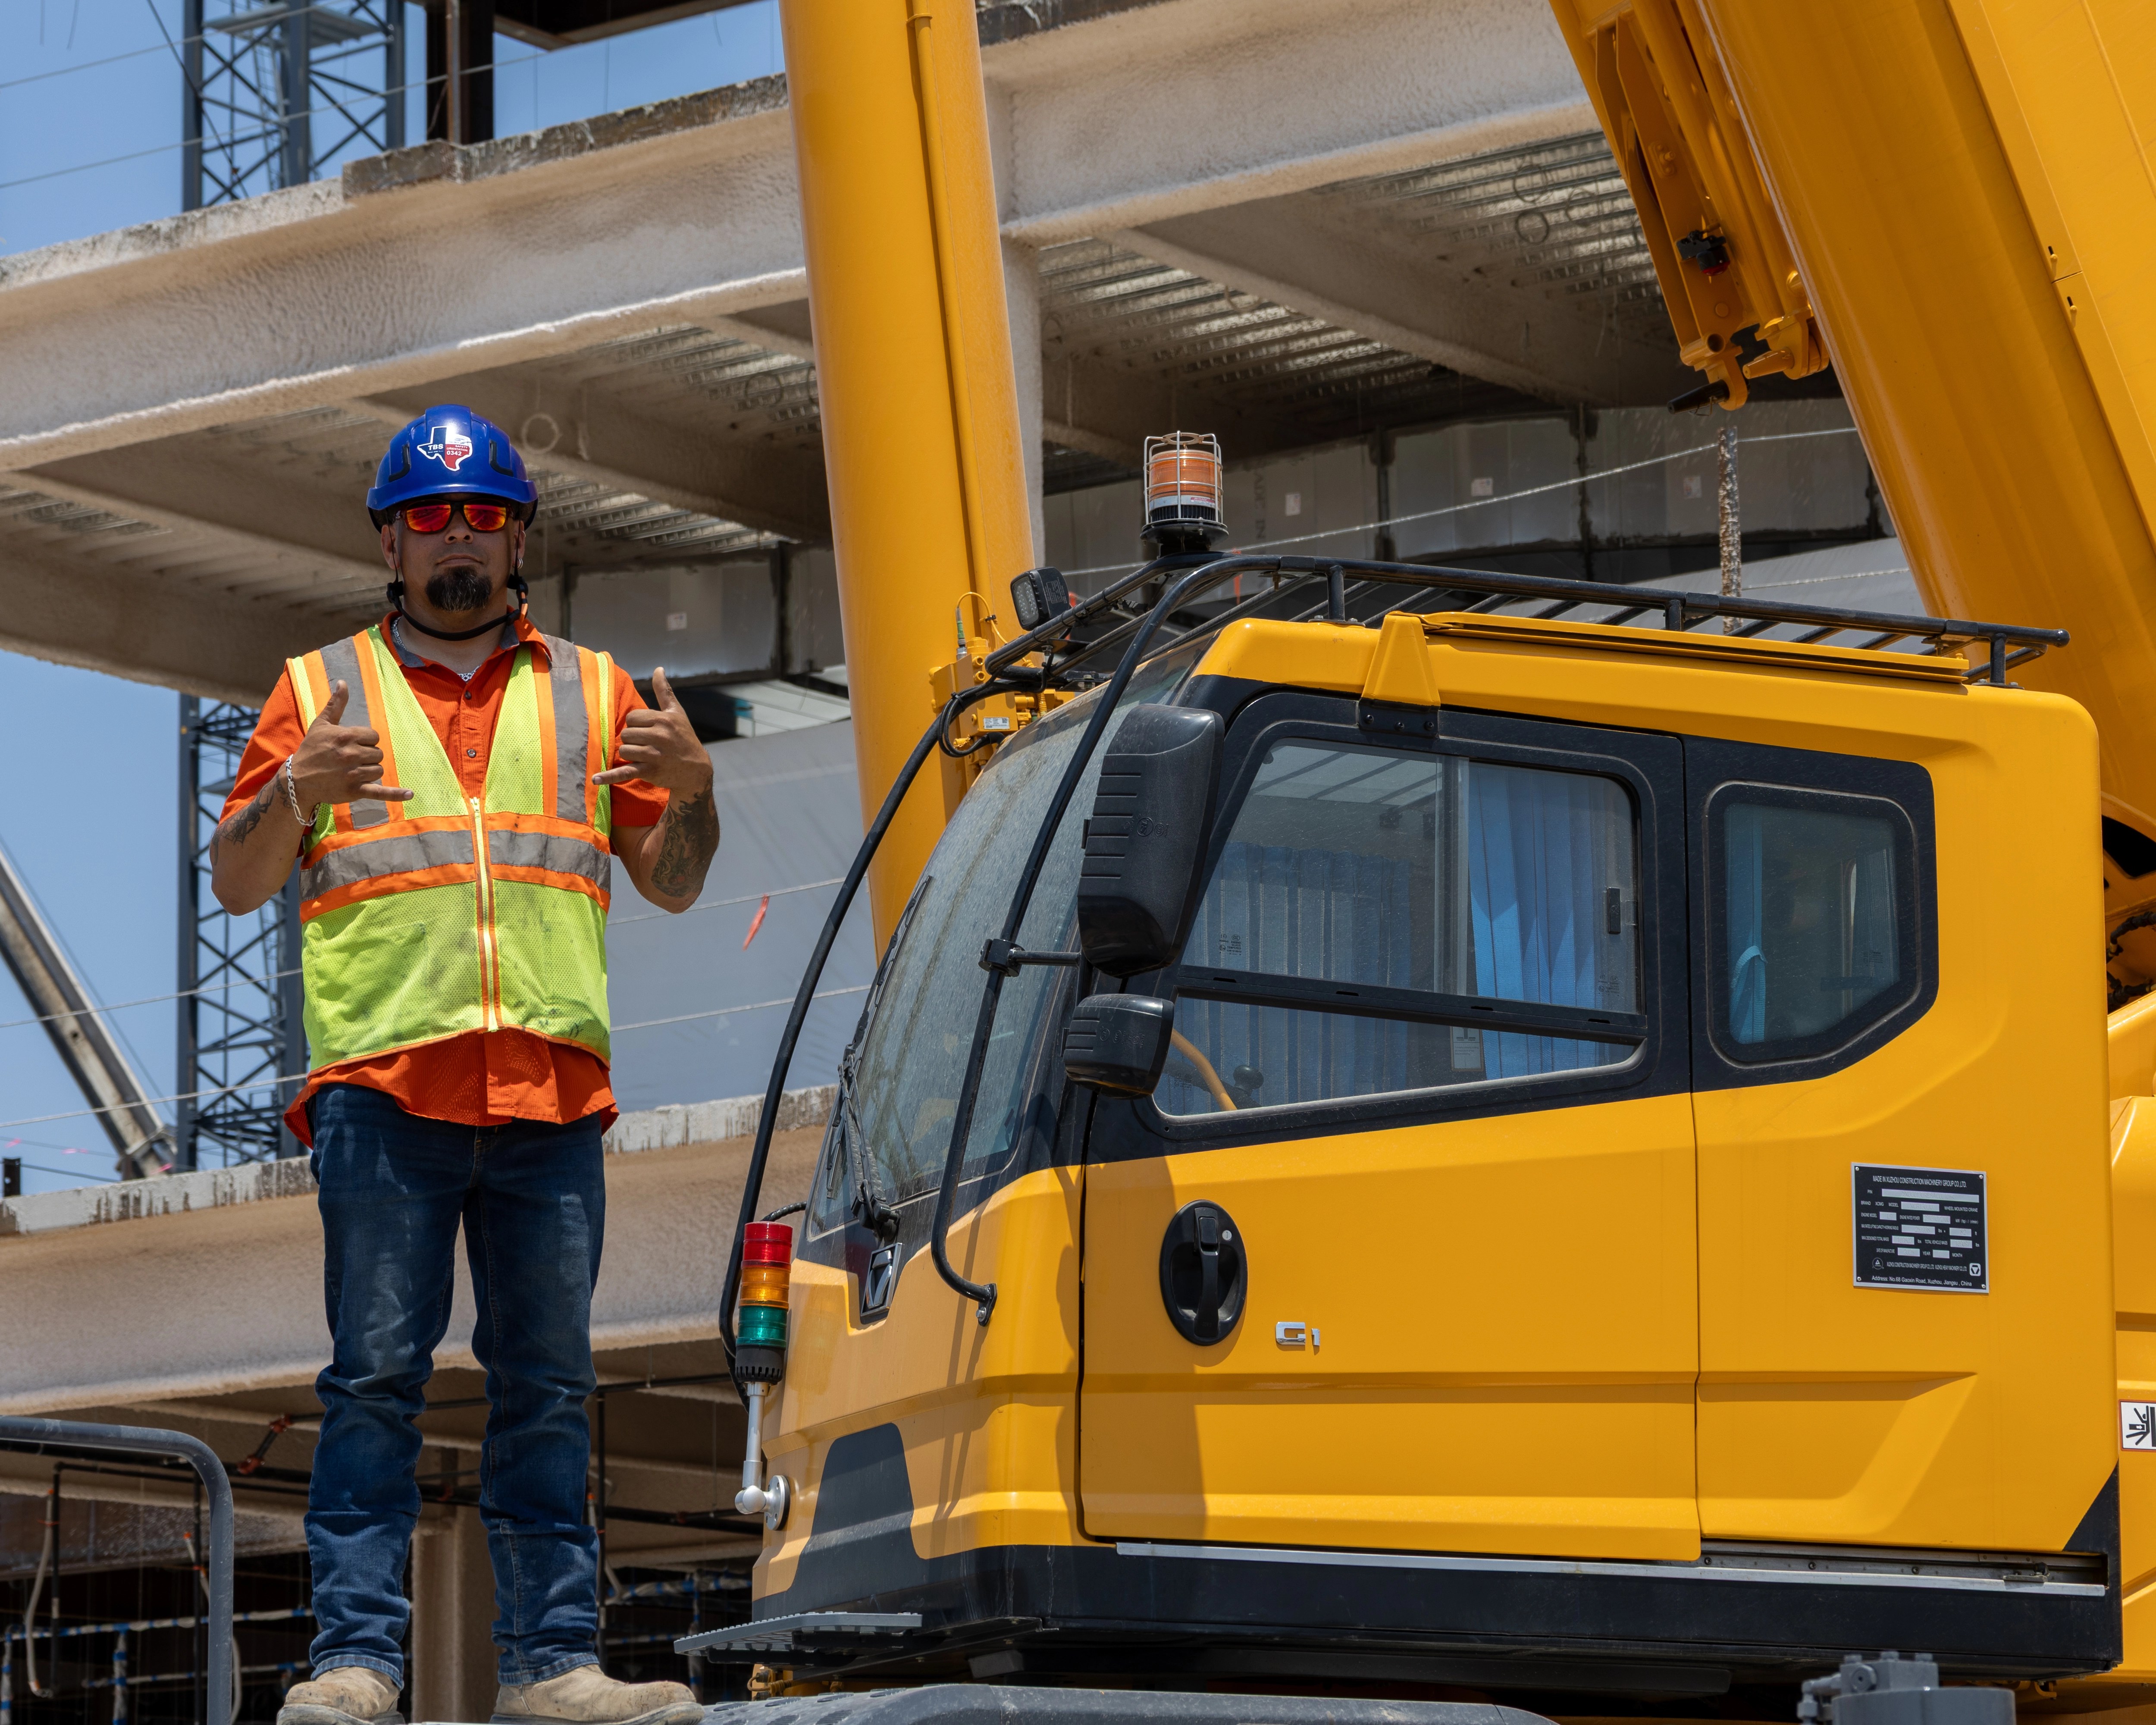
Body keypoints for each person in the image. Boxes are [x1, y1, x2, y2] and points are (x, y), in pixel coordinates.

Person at [211, 406, 720, 1725]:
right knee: (374, 1383)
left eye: (481, 517)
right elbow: (235, 877)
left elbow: (670, 885)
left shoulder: (595, 692)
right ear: (390, 535)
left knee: (547, 1390)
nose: (456, 538)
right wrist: (296, 791)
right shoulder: (318, 691)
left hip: (549, 1095)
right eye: (431, 517)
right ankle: (356, 1662)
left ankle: (554, 1666)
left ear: (515, 538)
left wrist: (701, 792)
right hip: (388, 1096)